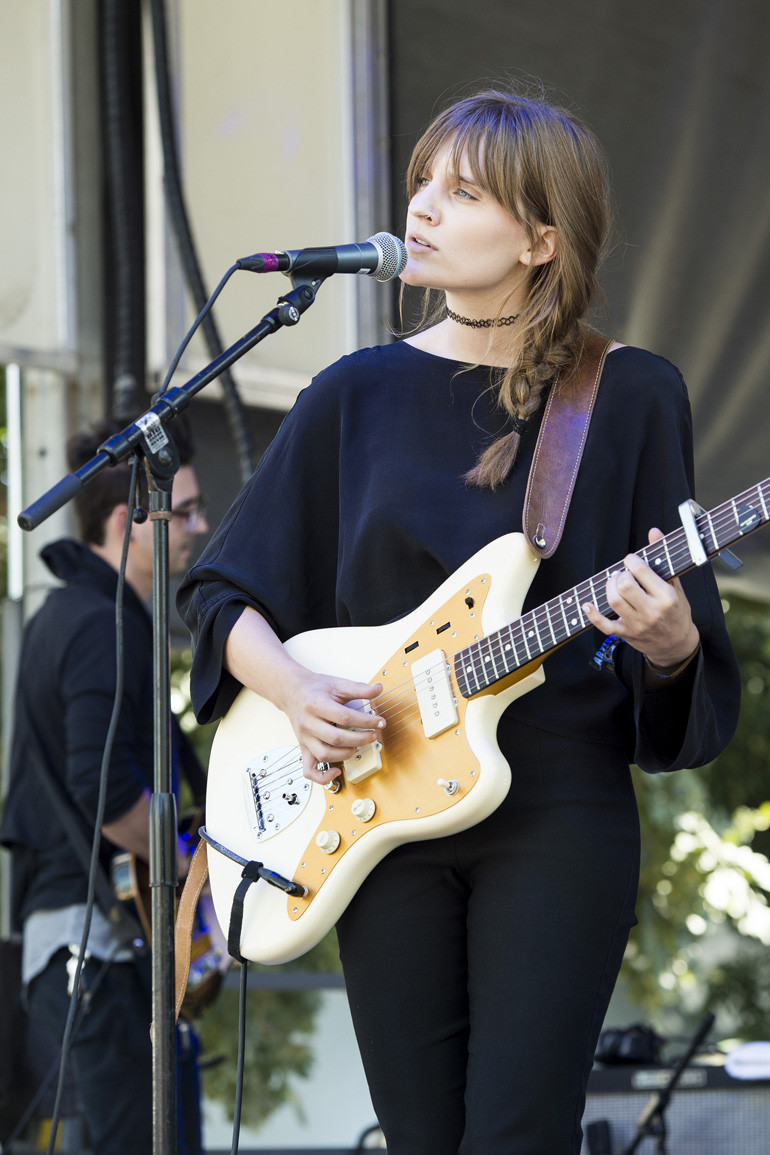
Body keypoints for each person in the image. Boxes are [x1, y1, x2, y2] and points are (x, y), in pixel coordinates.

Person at [177, 88, 741, 1154]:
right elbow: (221, 595)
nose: (423, 208)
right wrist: (296, 691)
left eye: (463, 191)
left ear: (540, 239)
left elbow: (685, 660)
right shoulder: (352, 393)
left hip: (555, 811)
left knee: (520, 1133)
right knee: (419, 1135)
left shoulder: (629, 394)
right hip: (375, 806)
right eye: (422, 183)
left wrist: (670, 647)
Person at [0, 418, 209, 1155]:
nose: (198, 527)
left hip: (90, 942)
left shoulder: (80, 616)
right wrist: (191, 872)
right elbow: (104, 793)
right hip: (95, 945)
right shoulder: (98, 626)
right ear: (128, 521)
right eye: (185, 511)